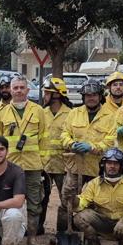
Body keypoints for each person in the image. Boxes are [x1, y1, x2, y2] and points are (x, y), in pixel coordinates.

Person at [0, 75, 46, 245]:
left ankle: (31, 237)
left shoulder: (38, 111)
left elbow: (44, 138)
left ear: (27, 90)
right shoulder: (2, 112)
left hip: (33, 165)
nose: (18, 91)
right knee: (6, 200)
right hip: (10, 166)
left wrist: (43, 161)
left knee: (34, 202)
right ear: (10, 90)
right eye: (15, 88)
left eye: (22, 87)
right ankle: (6, 236)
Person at [60, 78, 115, 226]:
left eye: (94, 95)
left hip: (97, 167)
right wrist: (71, 144)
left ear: (100, 96)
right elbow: (64, 134)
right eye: (87, 95)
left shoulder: (110, 116)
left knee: (95, 201)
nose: (91, 98)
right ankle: (65, 231)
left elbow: (111, 141)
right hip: (75, 166)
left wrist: (92, 147)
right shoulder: (74, 113)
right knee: (68, 198)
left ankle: (90, 234)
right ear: (83, 97)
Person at [72, 148, 123, 245]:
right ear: (103, 165)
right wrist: (73, 200)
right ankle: (93, 242)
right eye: (109, 163)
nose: (112, 166)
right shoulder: (94, 183)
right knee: (79, 218)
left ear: (121, 166)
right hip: (101, 222)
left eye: (116, 163)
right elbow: (82, 202)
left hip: (121, 223)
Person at [39, 77, 72, 234]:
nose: (44, 96)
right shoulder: (41, 113)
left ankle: (63, 231)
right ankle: (38, 228)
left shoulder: (70, 114)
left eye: (47, 93)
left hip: (63, 165)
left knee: (66, 199)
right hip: (44, 163)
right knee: (41, 197)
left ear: (57, 95)